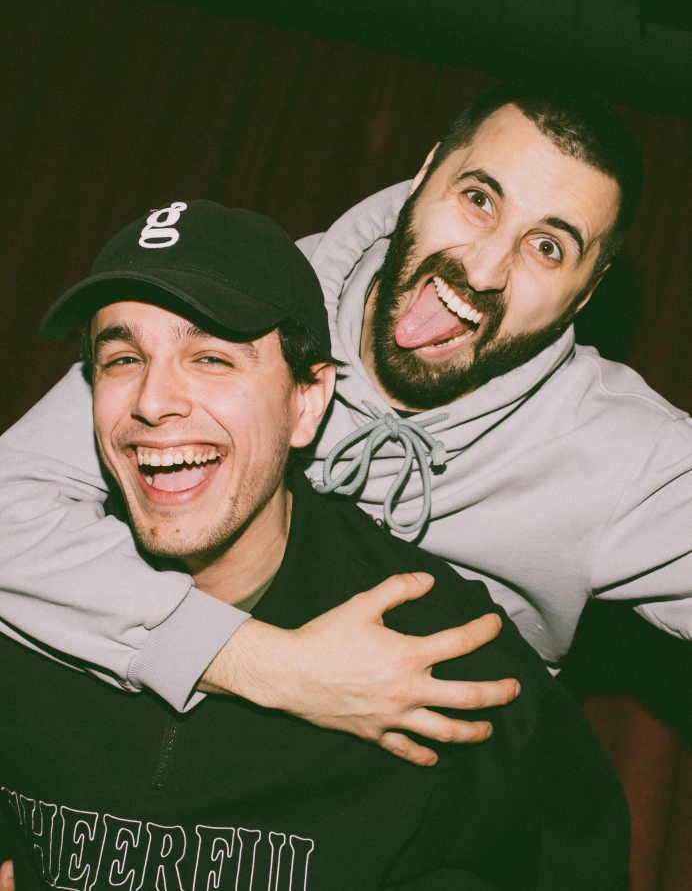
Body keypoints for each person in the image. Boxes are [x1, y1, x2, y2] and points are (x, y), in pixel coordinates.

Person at [2, 78, 691, 763]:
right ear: (424, 174)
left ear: (586, 293)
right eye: (479, 199)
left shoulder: (619, 454)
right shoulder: (244, 304)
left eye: (548, 247)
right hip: (169, 755)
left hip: (432, 793)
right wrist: (269, 666)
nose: (484, 270)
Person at [0, 203, 628, 890]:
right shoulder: (24, 608)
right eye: (122, 359)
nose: (153, 401)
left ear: (307, 401)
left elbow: (573, 854)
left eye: (211, 358)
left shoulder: (435, 653)